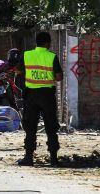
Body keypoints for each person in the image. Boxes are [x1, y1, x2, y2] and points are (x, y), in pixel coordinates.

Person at [17, 31, 63, 166]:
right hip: (47, 96)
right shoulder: (52, 56)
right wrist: (47, 76)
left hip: (31, 95)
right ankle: (54, 159)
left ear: (36, 42)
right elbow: (59, 77)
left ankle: (28, 157)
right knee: (50, 126)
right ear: (48, 43)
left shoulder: (27, 55)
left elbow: (18, 70)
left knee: (30, 127)